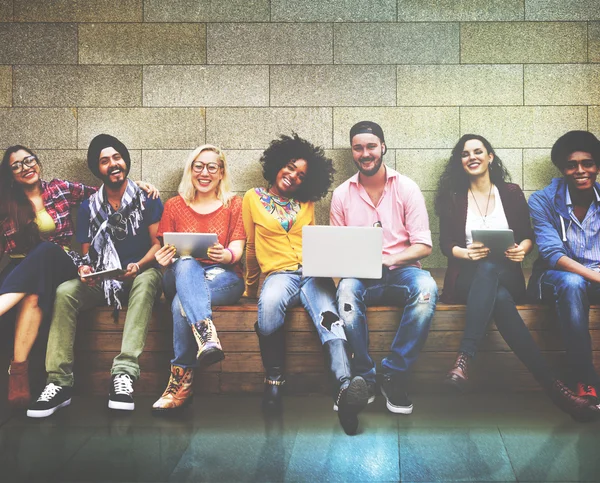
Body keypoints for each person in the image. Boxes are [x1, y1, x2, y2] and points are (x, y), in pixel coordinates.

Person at [436, 134, 599, 420]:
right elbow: (445, 244)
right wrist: (466, 253)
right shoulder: (454, 197)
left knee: (493, 272)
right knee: (494, 288)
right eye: (465, 154)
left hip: (508, 272)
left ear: (490, 157)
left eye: (478, 151)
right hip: (468, 277)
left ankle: (464, 357)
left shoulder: (510, 193)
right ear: (459, 162)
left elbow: (527, 236)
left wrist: (521, 250)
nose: (471, 157)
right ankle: (556, 389)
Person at [27, 134, 164, 418]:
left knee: (150, 278)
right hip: (105, 281)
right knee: (66, 291)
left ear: (125, 161)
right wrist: (87, 270)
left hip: (138, 275)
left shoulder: (146, 198)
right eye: (104, 161)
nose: (113, 164)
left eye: (117, 157)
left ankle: (124, 375)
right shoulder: (90, 206)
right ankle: (59, 382)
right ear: (97, 169)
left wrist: (137, 265)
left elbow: (158, 244)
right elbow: (88, 254)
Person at [243, 133, 368, 435]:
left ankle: (345, 387)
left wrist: (333, 279)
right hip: (279, 275)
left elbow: (315, 242)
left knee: (331, 320)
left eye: (301, 175)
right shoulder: (252, 198)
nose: (293, 177)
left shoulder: (306, 203)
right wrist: (249, 288)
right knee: (269, 305)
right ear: (276, 165)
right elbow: (250, 245)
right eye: (289, 167)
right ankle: (274, 380)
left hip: (312, 274)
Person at [331, 121, 438, 415]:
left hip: (402, 271)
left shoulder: (407, 187)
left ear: (383, 147)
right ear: (352, 151)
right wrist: (343, 275)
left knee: (427, 288)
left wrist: (389, 259)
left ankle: (394, 373)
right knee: (346, 292)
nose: (365, 153)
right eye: (358, 147)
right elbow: (336, 249)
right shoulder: (342, 194)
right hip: (361, 276)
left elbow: (424, 246)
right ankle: (364, 376)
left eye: (371, 146)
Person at [0, 145, 97, 408]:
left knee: (45, 250)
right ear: (10, 174)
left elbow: (105, 193)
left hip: (62, 262)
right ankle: (18, 372)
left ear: (38, 163)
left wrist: (141, 187)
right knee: (32, 293)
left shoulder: (59, 188)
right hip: (23, 269)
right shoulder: (6, 202)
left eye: (29, 160)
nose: (25, 167)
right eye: (17, 165)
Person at [152, 145, 245, 413]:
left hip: (222, 278)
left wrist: (225, 255)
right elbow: (165, 249)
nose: (204, 172)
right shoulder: (174, 205)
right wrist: (163, 259)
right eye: (198, 166)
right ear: (190, 170)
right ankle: (206, 334)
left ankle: (180, 381)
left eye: (211, 167)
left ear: (221, 172)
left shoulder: (233, 205)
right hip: (178, 275)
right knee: (186, 262)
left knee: (181, 303)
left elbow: (237, 251)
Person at [527, 130, 600, 416]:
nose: (580, 170)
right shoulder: (542, 200)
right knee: (572, 282)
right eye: (572, 164)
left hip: (594, 277)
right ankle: (584, 380)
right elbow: (553, 255)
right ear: (562, 168)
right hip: (556, 279)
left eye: (588, 163)